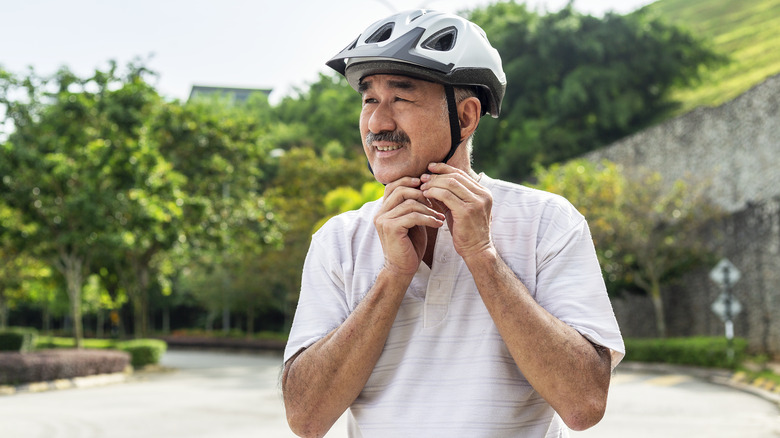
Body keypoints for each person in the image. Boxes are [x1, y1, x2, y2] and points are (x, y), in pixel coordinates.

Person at [282, 9, 624, 438]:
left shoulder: (549, 223)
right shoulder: (338, 240)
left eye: (401, 98)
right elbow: (306, 419)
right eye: (369, 99)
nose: (377, 122)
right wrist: (393, 276)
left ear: (464, 117)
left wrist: (483, 256)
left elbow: (584, 405)